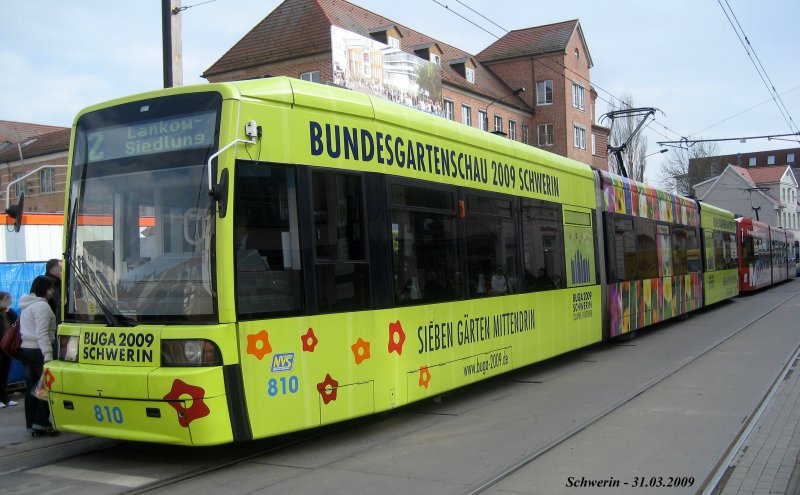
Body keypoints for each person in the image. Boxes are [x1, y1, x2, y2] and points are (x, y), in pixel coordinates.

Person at [18, 275, 58, 436]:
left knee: (31, 388)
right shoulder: (42, 306)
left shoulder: (26, 305)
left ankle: (31, 423)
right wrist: (48, 355)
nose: (52, 291)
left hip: (26, 349)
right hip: (39, 351)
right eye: (50, 288)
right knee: (45, 388)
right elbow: (42, 333)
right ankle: (42, 423)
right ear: (45, 289)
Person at [0, 291, 19, 408]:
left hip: (6, 346)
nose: (9, 301)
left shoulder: (8, 312)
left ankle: (5, 399)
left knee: (5, 373)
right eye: (6, 299)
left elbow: (16, 321)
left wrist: (9, 310)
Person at [45, 259, 62, 323]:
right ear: (53, 271)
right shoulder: (47, 285)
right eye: (61, 270)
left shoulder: (58, 284)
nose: (63, 272)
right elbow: (57, 306)